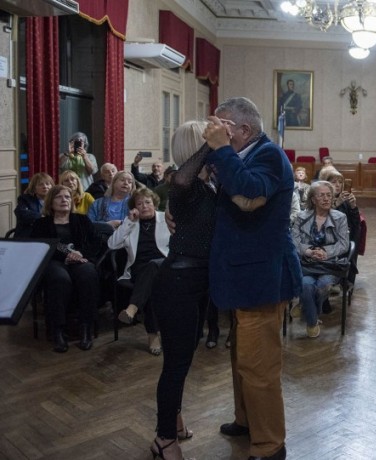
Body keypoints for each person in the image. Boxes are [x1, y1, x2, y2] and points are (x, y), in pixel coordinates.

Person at [204, 97, 301, 460]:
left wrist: (219, 151)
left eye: (222, 125)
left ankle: (270, 444)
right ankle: (246, 421)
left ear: (244, 130)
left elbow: (249, 196)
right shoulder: (239, 153)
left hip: (263, 276)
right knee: (241, 359)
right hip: (241, 275)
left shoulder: (269, 155)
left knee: (258, 365)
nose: (214, 130)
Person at [149, 120, 218, 460]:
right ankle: (163, 439)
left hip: (196, 283)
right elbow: (179, 179)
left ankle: (172, 417)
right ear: (198, 147)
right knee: (175, 365)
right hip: (177, 283)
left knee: (184, 360)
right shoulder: (183, 185)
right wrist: (210, 144)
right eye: (208, 140)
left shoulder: (205, 186)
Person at [30, 185, 100, 353]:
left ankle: (85, 329)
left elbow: (96, 242)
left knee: (89, 275)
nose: (64, 200)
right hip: (53, 262)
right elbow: (39, 247)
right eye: (59, 197)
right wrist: (66, 255)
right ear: (50, 202)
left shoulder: (82, 220)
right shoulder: (41, 224)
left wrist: (80, 253)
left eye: (67, 197)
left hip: (80, 260)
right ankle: (58, 331)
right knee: (59, 279)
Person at [107, 187, 170, 356]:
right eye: (139, 203)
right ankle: (152, 334)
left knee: (153, 267)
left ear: (154, 204)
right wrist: (128, 222)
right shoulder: (130, 224)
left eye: (147, 202)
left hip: (165, 266)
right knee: (151, 284)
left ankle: (133, 310)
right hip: (139, 270)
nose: (144, 206)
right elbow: (112, 244)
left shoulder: (167, 218)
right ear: (134, 207)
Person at [291, 181, 350, 337]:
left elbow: (344, 244)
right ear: (313, 199)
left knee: (323, 285)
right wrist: (308, 251)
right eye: (321, 195)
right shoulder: (301, 217)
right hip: (307, 263)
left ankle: (305, 306)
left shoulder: (340, 217)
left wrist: (326, 252)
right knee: (306, 285)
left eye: (329, 195)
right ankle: (312, 322)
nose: (326, 199)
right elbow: (294, 241)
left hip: (329, 265)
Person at [13, 172, 53, 238]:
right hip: (29, 235)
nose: (45, 186)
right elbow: (21, 213)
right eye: (40, 184)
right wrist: (42, 217)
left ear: (52, 186)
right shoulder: (25, 199)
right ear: (34, 188)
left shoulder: (56, 199)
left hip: (50, 235)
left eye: (47, 184)